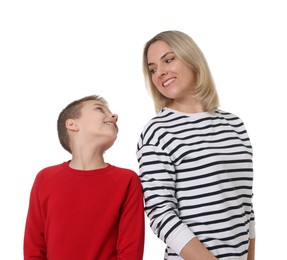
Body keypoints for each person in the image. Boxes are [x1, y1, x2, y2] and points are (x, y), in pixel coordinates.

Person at [136, 30, 255, 260]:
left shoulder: (234, 125)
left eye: (168, 60)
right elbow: (161, 214)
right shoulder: (158, 131)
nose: (160, 72)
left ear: (191, 58)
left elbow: (246, 209)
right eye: (152, 69)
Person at [24, 95, 145, 260]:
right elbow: (34, 249)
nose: (114, 116)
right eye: (99, 109)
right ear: (72, 124)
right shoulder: (45, 179)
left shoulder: (127, 180)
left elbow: (130, 253)